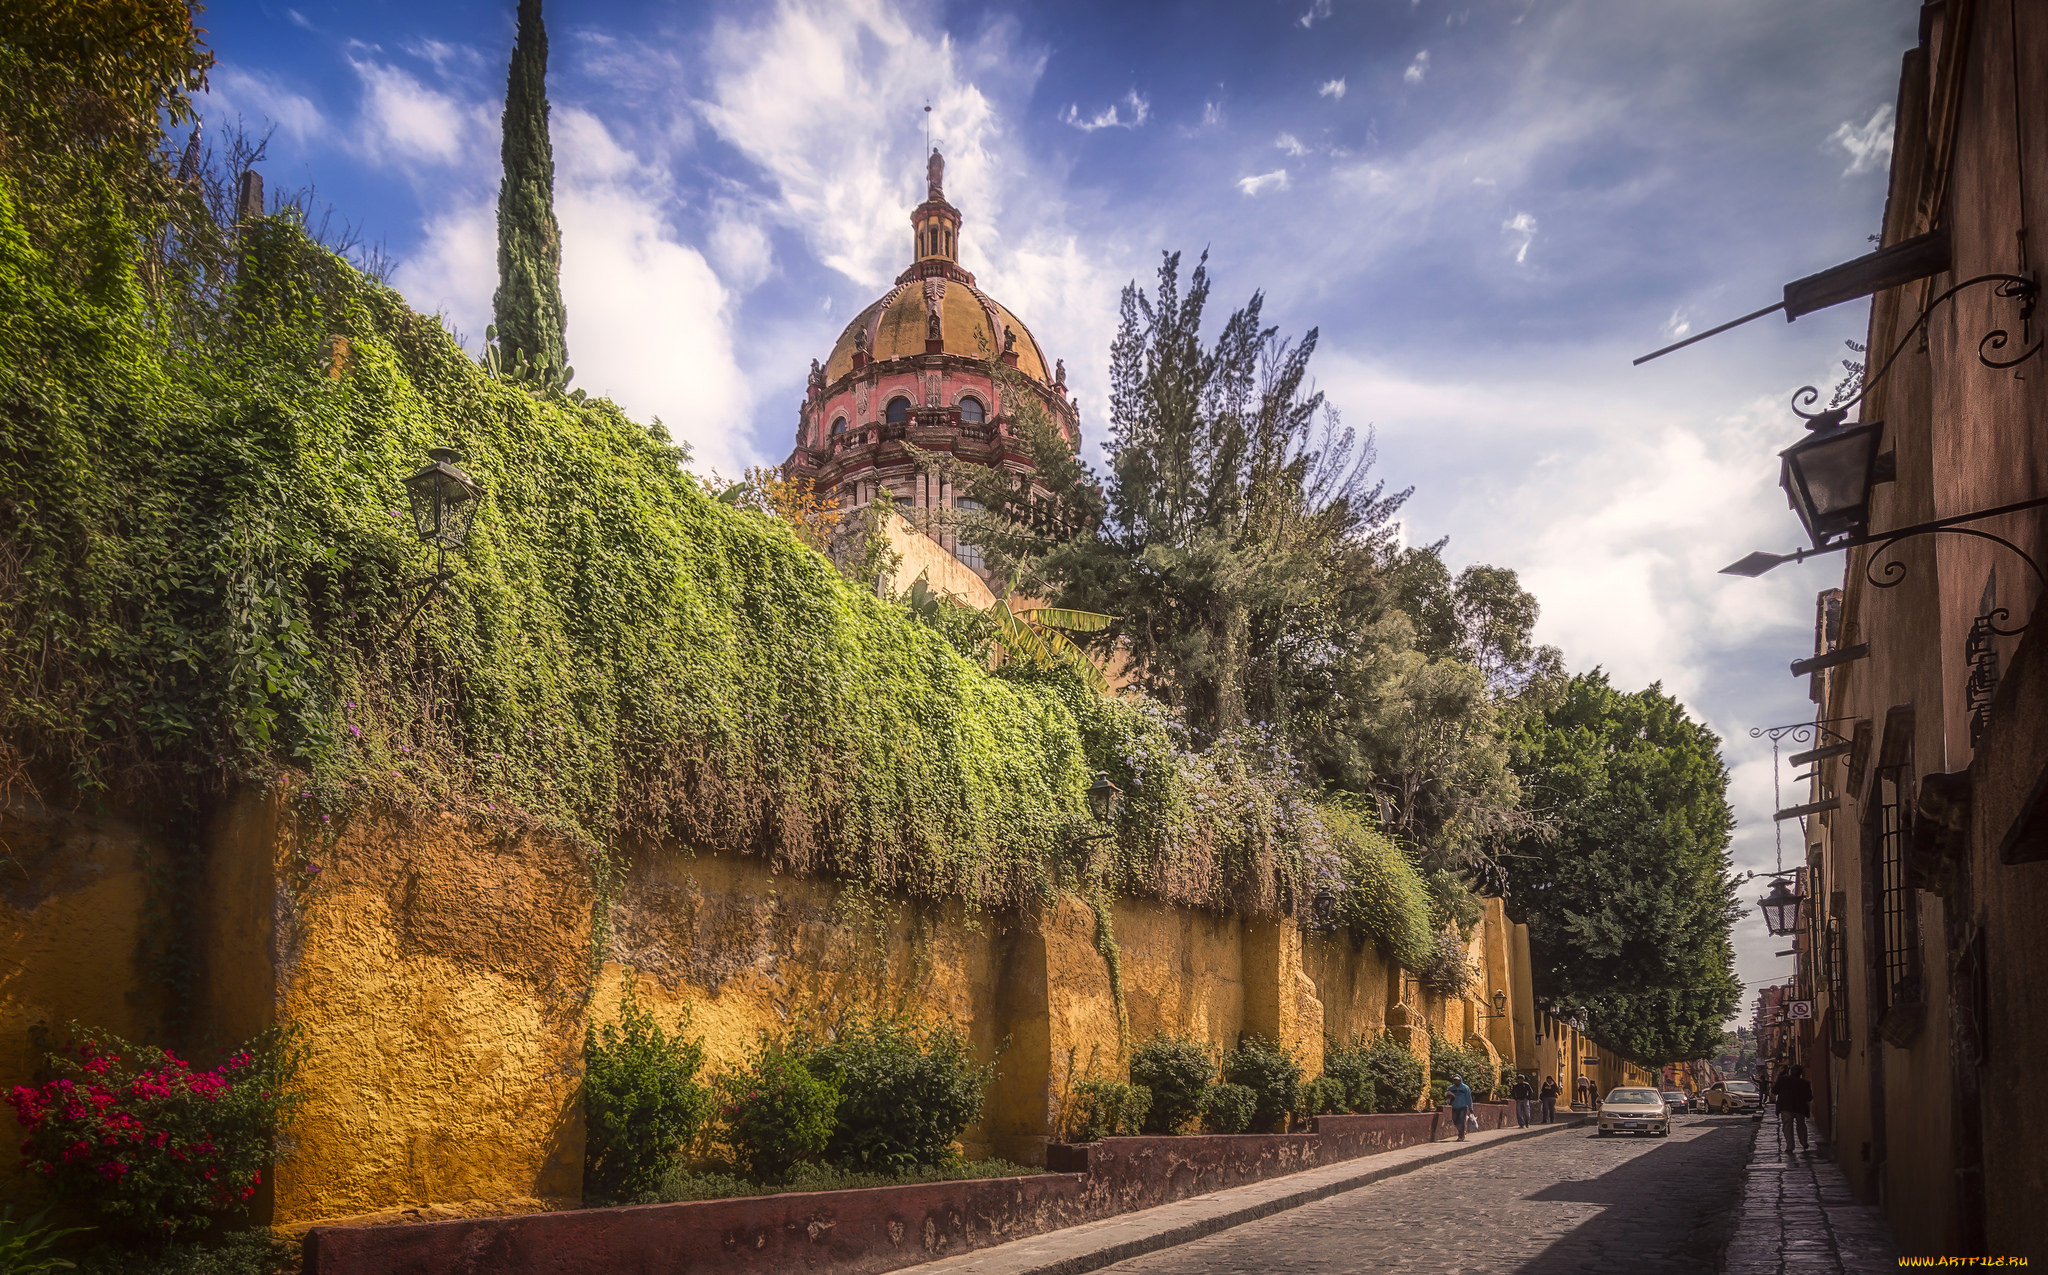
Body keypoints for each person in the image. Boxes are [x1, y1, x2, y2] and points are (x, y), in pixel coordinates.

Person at [1773, 1064, 1814, 1151]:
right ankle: (1804, 1142)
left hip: (1786, 1107)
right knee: (1801, 1125)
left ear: (1790, 1072)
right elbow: (1809, 1097)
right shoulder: (1805, 1083)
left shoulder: (1782, 1079)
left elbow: (1774, 1091)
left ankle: (1790, 1146)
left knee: (1787, 1126)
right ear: (1801, 1073)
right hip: (1800, 1108)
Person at [1447, 1074, 1475, 1141]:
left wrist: (1471, 1108)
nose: (1456, 1081)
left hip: (1463, 1107)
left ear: (1460, 1080)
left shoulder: (1465, 1088)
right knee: (1455, 1121)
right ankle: (1462, 1131)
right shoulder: (1451, 1088)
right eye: (1455, 1080)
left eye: (1457, 1080)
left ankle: (1461, 1135)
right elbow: (1448, 1098)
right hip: (1455, 1107)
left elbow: (1468, 1098)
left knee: (1461, 1121)